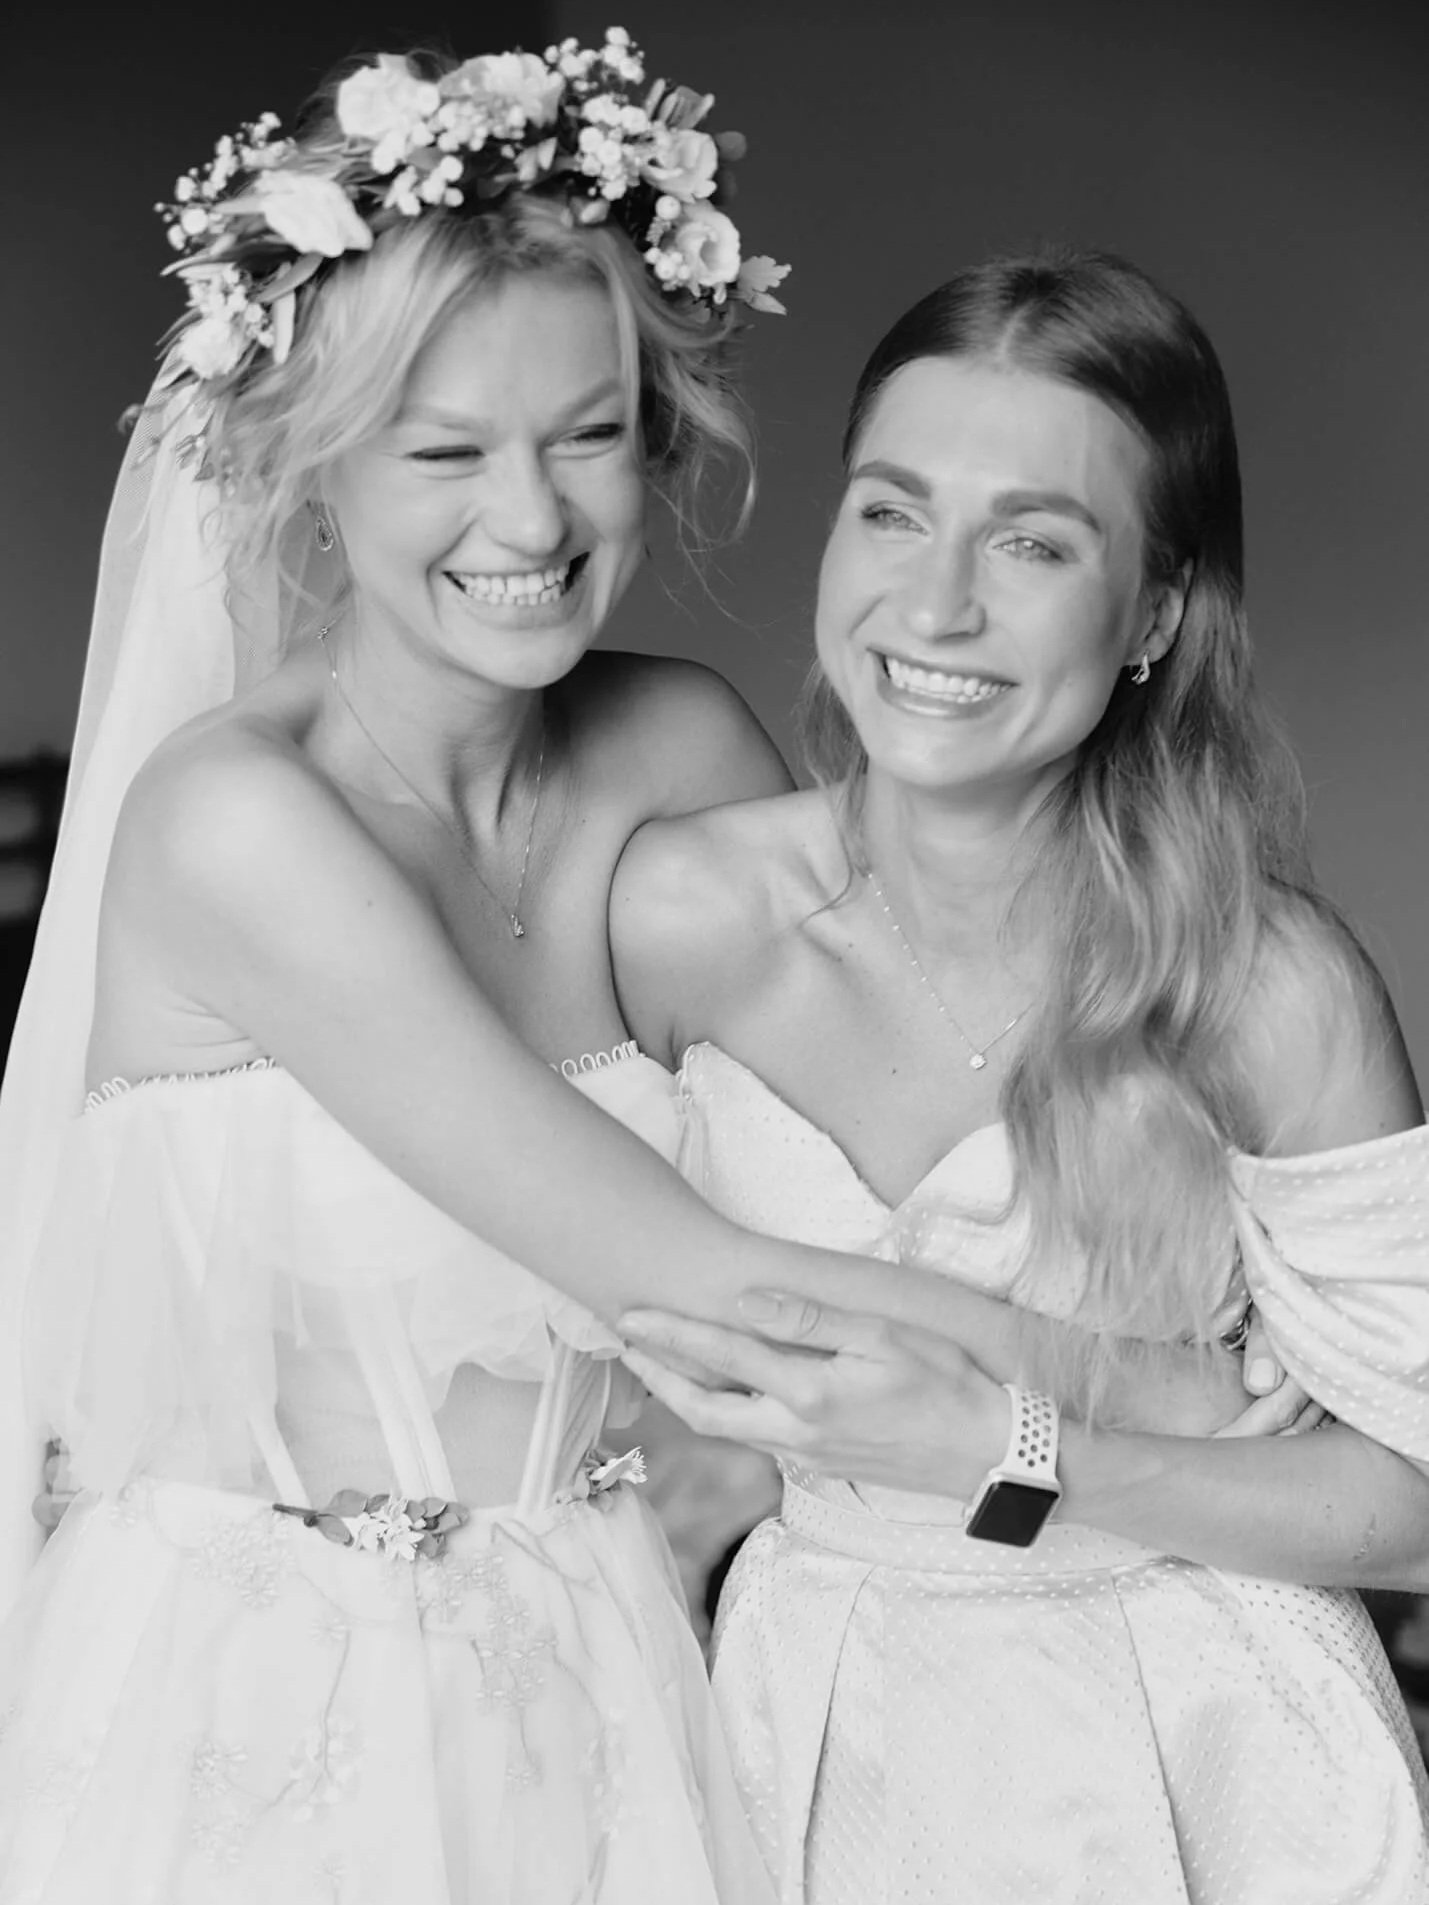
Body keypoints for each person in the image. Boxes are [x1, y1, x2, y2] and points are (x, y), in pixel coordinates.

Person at [0, 37, 1321, 1900]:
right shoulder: (237, 826)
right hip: (262, 1700)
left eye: (586, 434)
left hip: (608, 1663)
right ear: (308, 466)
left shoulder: (682, 752)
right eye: (444, 451)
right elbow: (692, 1278)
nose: (531, 521)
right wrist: (1152, 1390)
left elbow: (920, 1087)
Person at [609, 253, 1429, 1902]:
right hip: (805, 1717)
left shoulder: (1266, 988)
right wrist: (1145, 1381)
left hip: (1207, 1747)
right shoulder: (677, 914)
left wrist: (1015, 1442)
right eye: (891, 513)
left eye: (1033, 543)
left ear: (1154, 615)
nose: (934, 607)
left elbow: (1412, 1503)